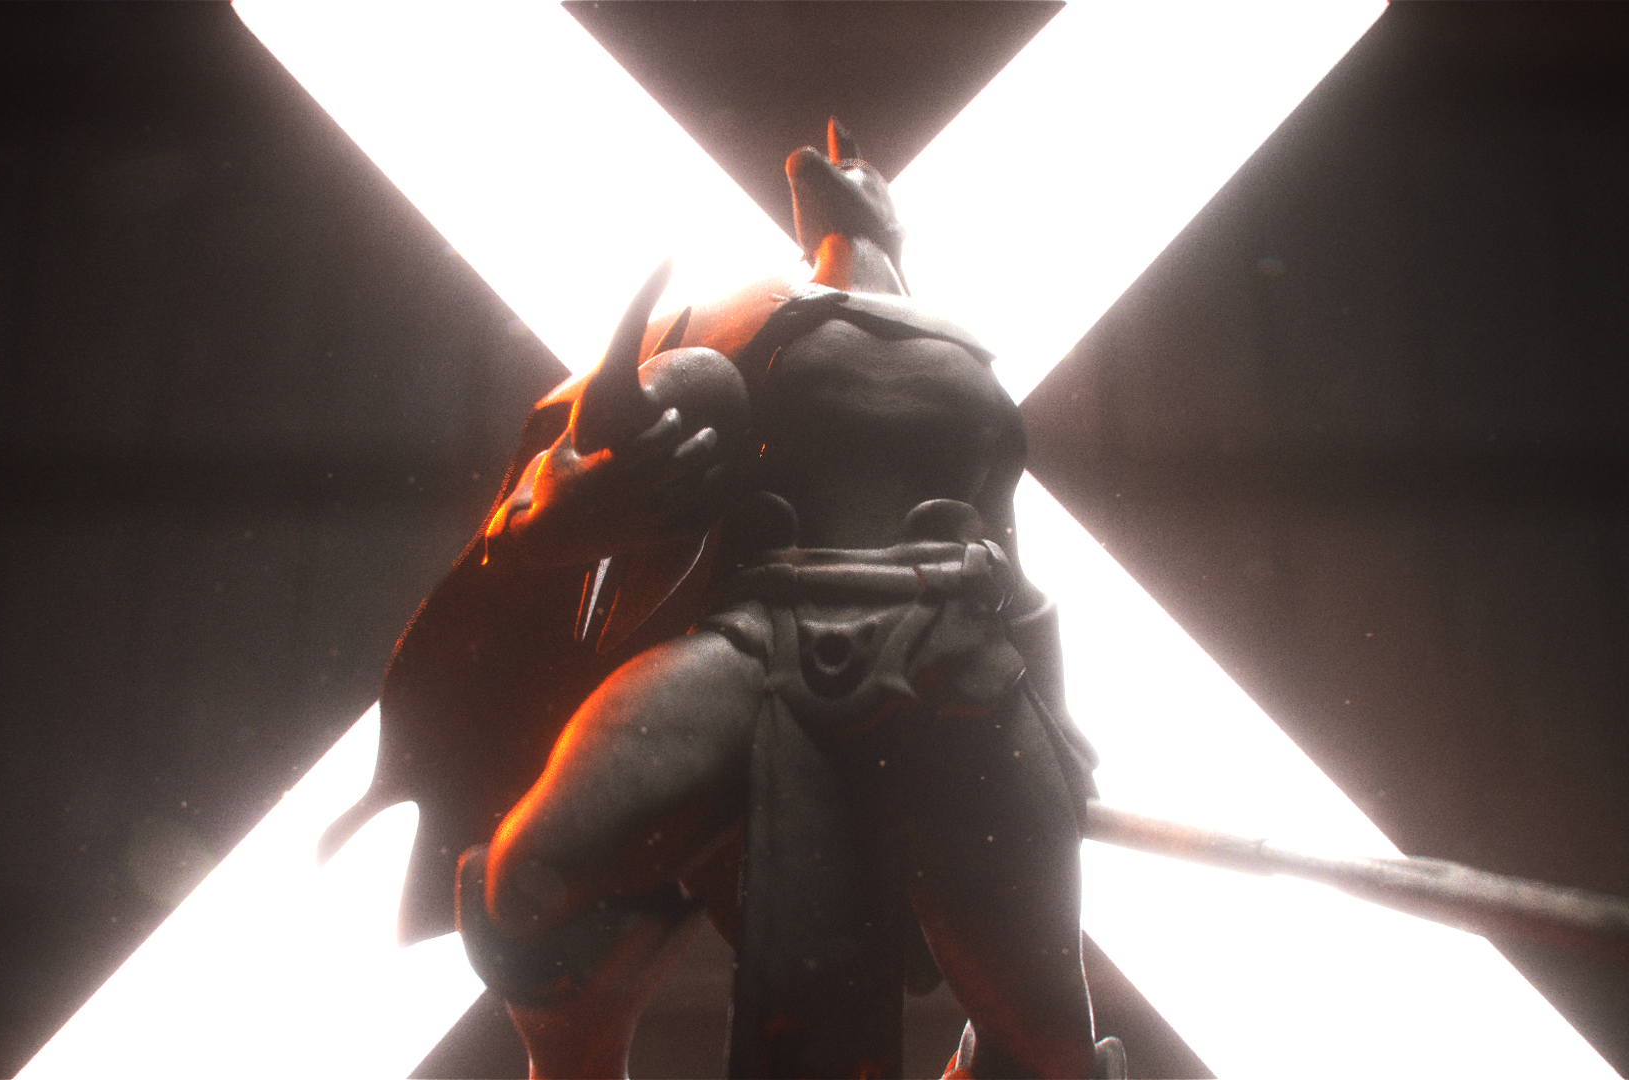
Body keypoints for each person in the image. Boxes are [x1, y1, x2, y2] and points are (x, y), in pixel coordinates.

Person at [337, 122, 1116, 1079]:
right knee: (529, 881)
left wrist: (1057, 727)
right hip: (759, 642)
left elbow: (1013, 570)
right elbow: (570, 473)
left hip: (958, 664)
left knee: (1051, 1048)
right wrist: (558, 510)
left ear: (895, 214)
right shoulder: (742, 322)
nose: (839, 164)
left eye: (863, 165)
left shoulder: (971, 361)